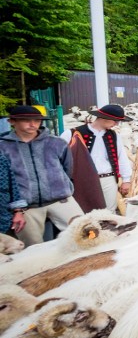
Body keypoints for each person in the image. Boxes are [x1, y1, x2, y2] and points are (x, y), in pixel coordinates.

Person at [0, 105, 83, 246]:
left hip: (61, 199)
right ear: (12, 122)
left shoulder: (56, 143)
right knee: (33, 247)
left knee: (84, 235)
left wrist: (61, 187)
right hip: (26, 207)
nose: (33, 124)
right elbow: (3, 181)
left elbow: (67, 168)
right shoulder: (3, 147)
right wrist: (16, 209)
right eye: (26, 120)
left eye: (37, 120)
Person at [60, 104, 133, 213]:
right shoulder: (72, 134)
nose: (116, 124)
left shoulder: (114, 135)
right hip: (82, 181)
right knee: (84, 211)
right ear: (104, 118)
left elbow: (121, 157)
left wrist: (126, 180)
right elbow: (58, 159)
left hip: (108, 179)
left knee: (109, 212)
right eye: (115, 120)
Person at [1, 152, 27, 236]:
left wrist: (18, 212)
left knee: (14, 247)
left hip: (4, 220)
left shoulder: (2, 159)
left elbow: (13, 186)